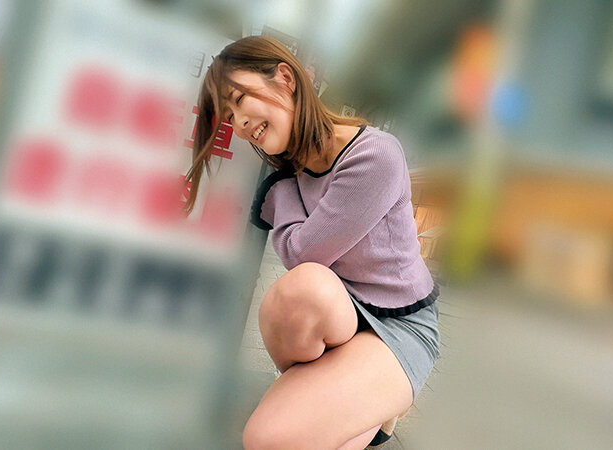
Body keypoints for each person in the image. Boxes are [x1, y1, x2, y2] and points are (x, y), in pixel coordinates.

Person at [183, 35, 440, 449]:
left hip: (396, 325)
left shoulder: (373, 155)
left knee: (269, 438)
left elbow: (305, 253)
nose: (240, 122)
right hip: (336, 316)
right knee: (298, 297)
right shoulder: (294, 173)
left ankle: (379, 400)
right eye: (229, 115)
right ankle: (365, 405)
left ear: (286, 78)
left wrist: (280, 188)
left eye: (240, 99)